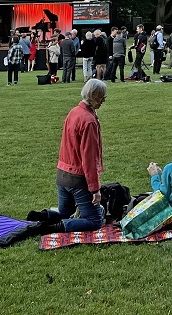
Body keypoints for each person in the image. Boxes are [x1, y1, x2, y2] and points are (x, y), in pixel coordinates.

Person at [27, 78, 108, 233]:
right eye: (101, 97)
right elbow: (89, 159)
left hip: (62, 174)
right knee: (94, 221)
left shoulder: (73, 112)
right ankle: (52, 228)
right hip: (77, 179)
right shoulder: (89, 121)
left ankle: (44, 216)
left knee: (65, 212)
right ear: (92, 96)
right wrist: (95, 189)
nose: (103, 100)